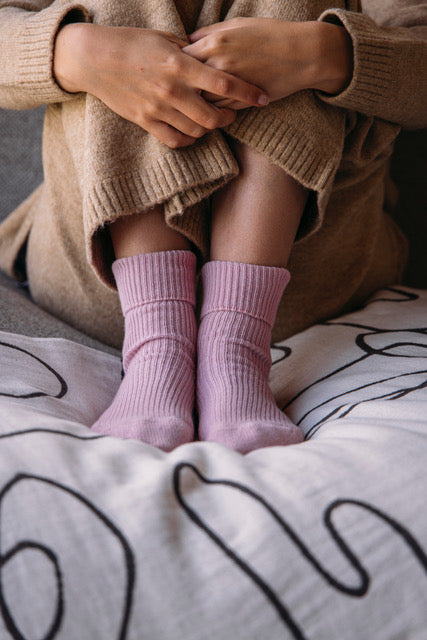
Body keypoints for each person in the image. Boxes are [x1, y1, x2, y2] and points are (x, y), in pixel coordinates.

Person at [0, 1, 425, 453]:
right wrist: (78, 52)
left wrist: (320, 53)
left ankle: (235, 347)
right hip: (93, 280)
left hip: (315, 279)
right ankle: (158, 345)